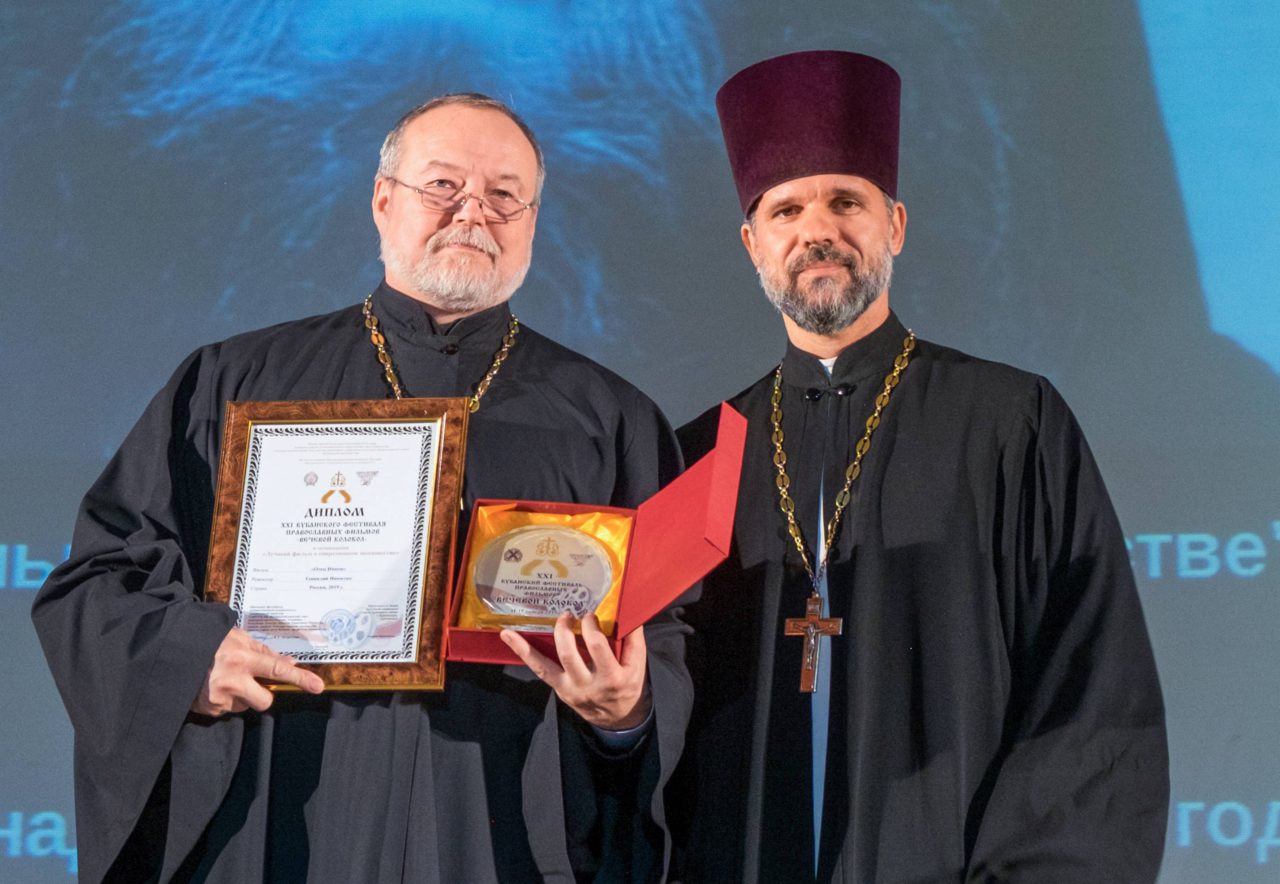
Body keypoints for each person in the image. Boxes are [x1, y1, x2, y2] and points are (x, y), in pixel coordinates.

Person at [33, 93, 689, 883]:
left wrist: (628, 709)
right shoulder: (234, 381)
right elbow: (99, 581)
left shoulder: (610, 420)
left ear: (532, 221)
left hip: (497, 822)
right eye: (443, 185)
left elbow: (671, 633)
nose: (473, 213)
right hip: (276, 805)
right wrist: (188, 661)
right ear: (383, 200)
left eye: (504, 195)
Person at [671, 51, 1169, 882]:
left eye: (846, 202)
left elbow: (1090, 682)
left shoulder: (1011, 420)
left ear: (894, 226)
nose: (818, 230)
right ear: (754, 245)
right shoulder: (702, 454)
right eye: (787, 209)